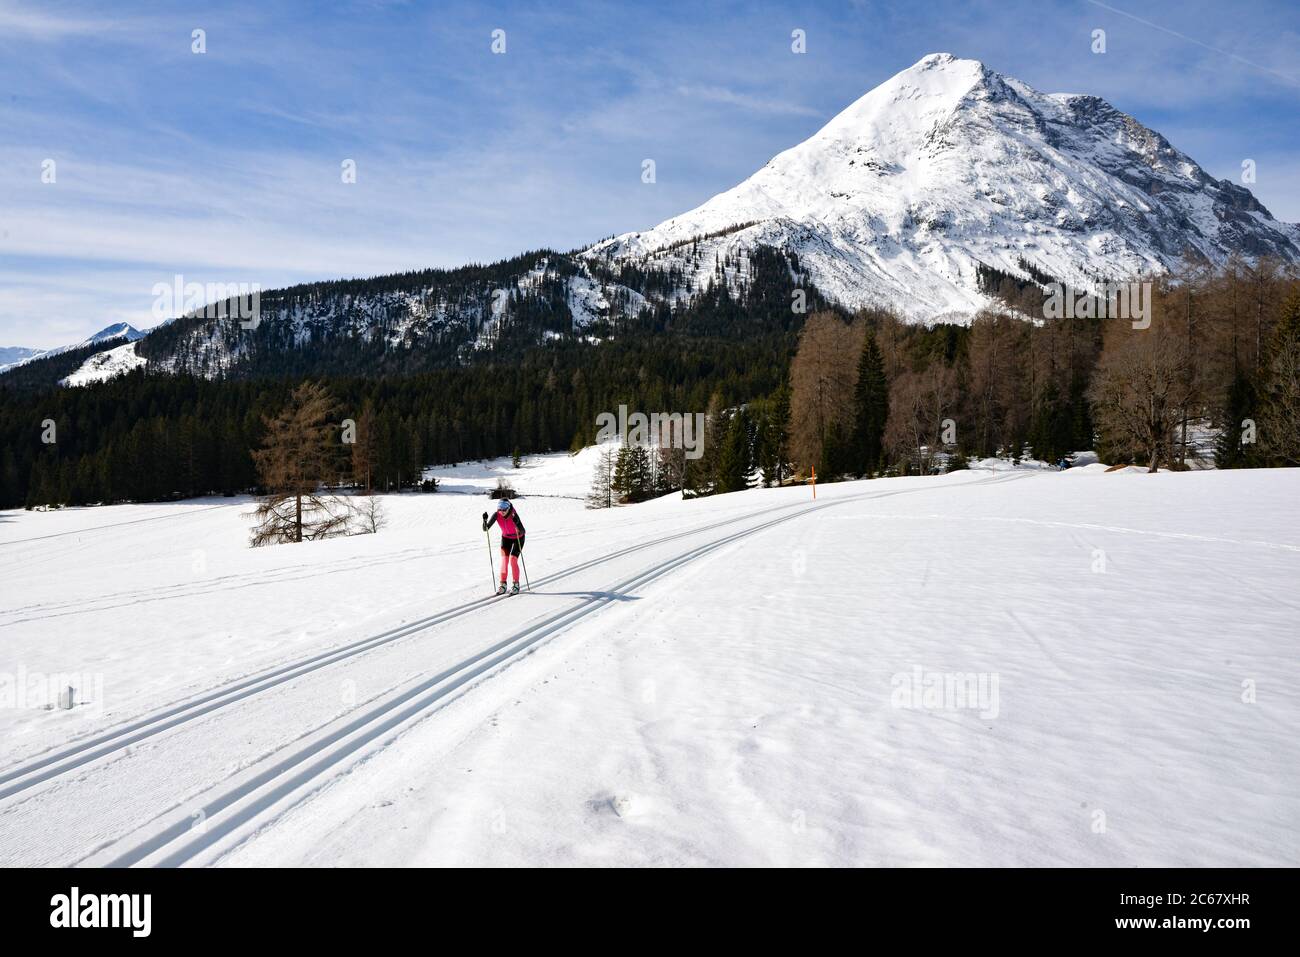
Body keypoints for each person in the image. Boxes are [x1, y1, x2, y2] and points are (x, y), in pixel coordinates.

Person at [482, 499, 526, 594]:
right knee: (504, 561)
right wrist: (484, 521)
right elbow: (486, 529)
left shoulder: (513, 515)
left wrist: (517, 522)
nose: (502, 511)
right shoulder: (497, 514)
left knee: (513, 560)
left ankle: (516, 585)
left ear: (508, 508)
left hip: (518, 538)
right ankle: (503, 585)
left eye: (504, 509)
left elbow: (523, 531)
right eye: (500, 509)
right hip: (506, 539)